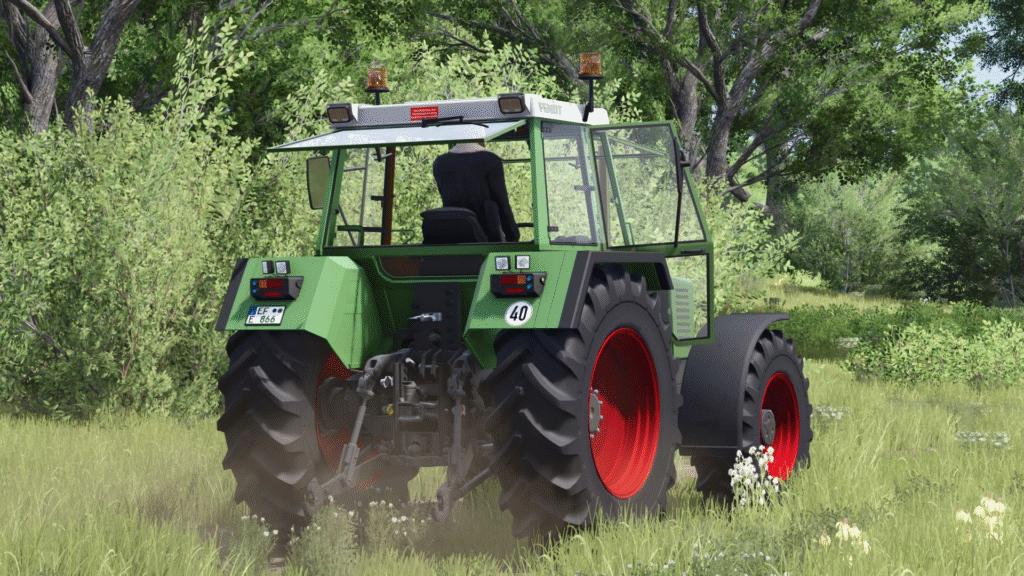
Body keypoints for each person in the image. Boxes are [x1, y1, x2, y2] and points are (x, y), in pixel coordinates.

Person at [432, 140, 520, 242]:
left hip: (452, 237)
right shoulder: (491, 160)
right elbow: (502, 203)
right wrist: (513, 236)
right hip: (486, 239)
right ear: (481, 138)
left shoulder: (440, 163)